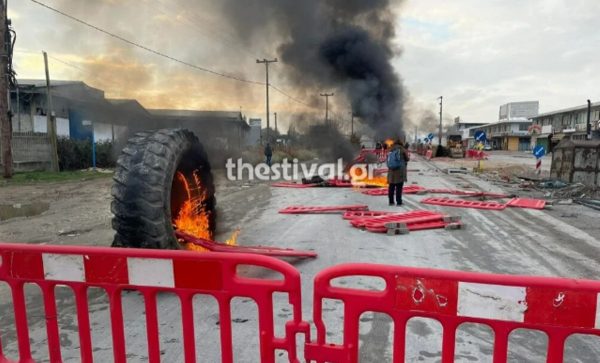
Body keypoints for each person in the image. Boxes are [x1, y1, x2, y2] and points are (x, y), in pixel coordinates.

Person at [387, 140, 409, 206]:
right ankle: (399, 201)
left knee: (391, 186)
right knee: (399, 187)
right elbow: (407, 159)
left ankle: (391, 201)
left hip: (391, 171)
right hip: (400, 171)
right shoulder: (402, 149)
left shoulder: (390, 149)